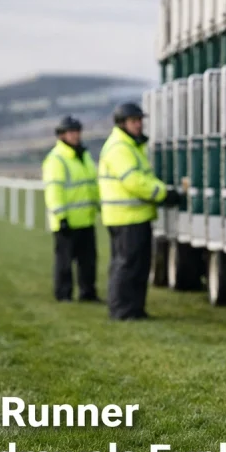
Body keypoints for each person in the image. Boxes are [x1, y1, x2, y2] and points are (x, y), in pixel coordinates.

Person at [98, 102, 179, 320]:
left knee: (136, 266)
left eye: (140, 120)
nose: (139, 125)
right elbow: (134, 181)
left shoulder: (130, 146)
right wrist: (163, 193)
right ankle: (123, 311)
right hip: (126, 218)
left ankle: (134, 309)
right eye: (134, 121)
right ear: (122, 124)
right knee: (127, 266)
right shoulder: (120, 148)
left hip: (134, 217)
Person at [42, 115, 100, 303]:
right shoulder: (56, 159)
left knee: (88, 261)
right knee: (64, 262)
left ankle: (87, 293)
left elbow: (92, 185)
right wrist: (61, 216)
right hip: (67, 221)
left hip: (86, 218)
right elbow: (54, 190)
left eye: (77, 132)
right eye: (71, 132)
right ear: (61, 136)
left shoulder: (84, 156)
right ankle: (63, 294)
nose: (75, 135)